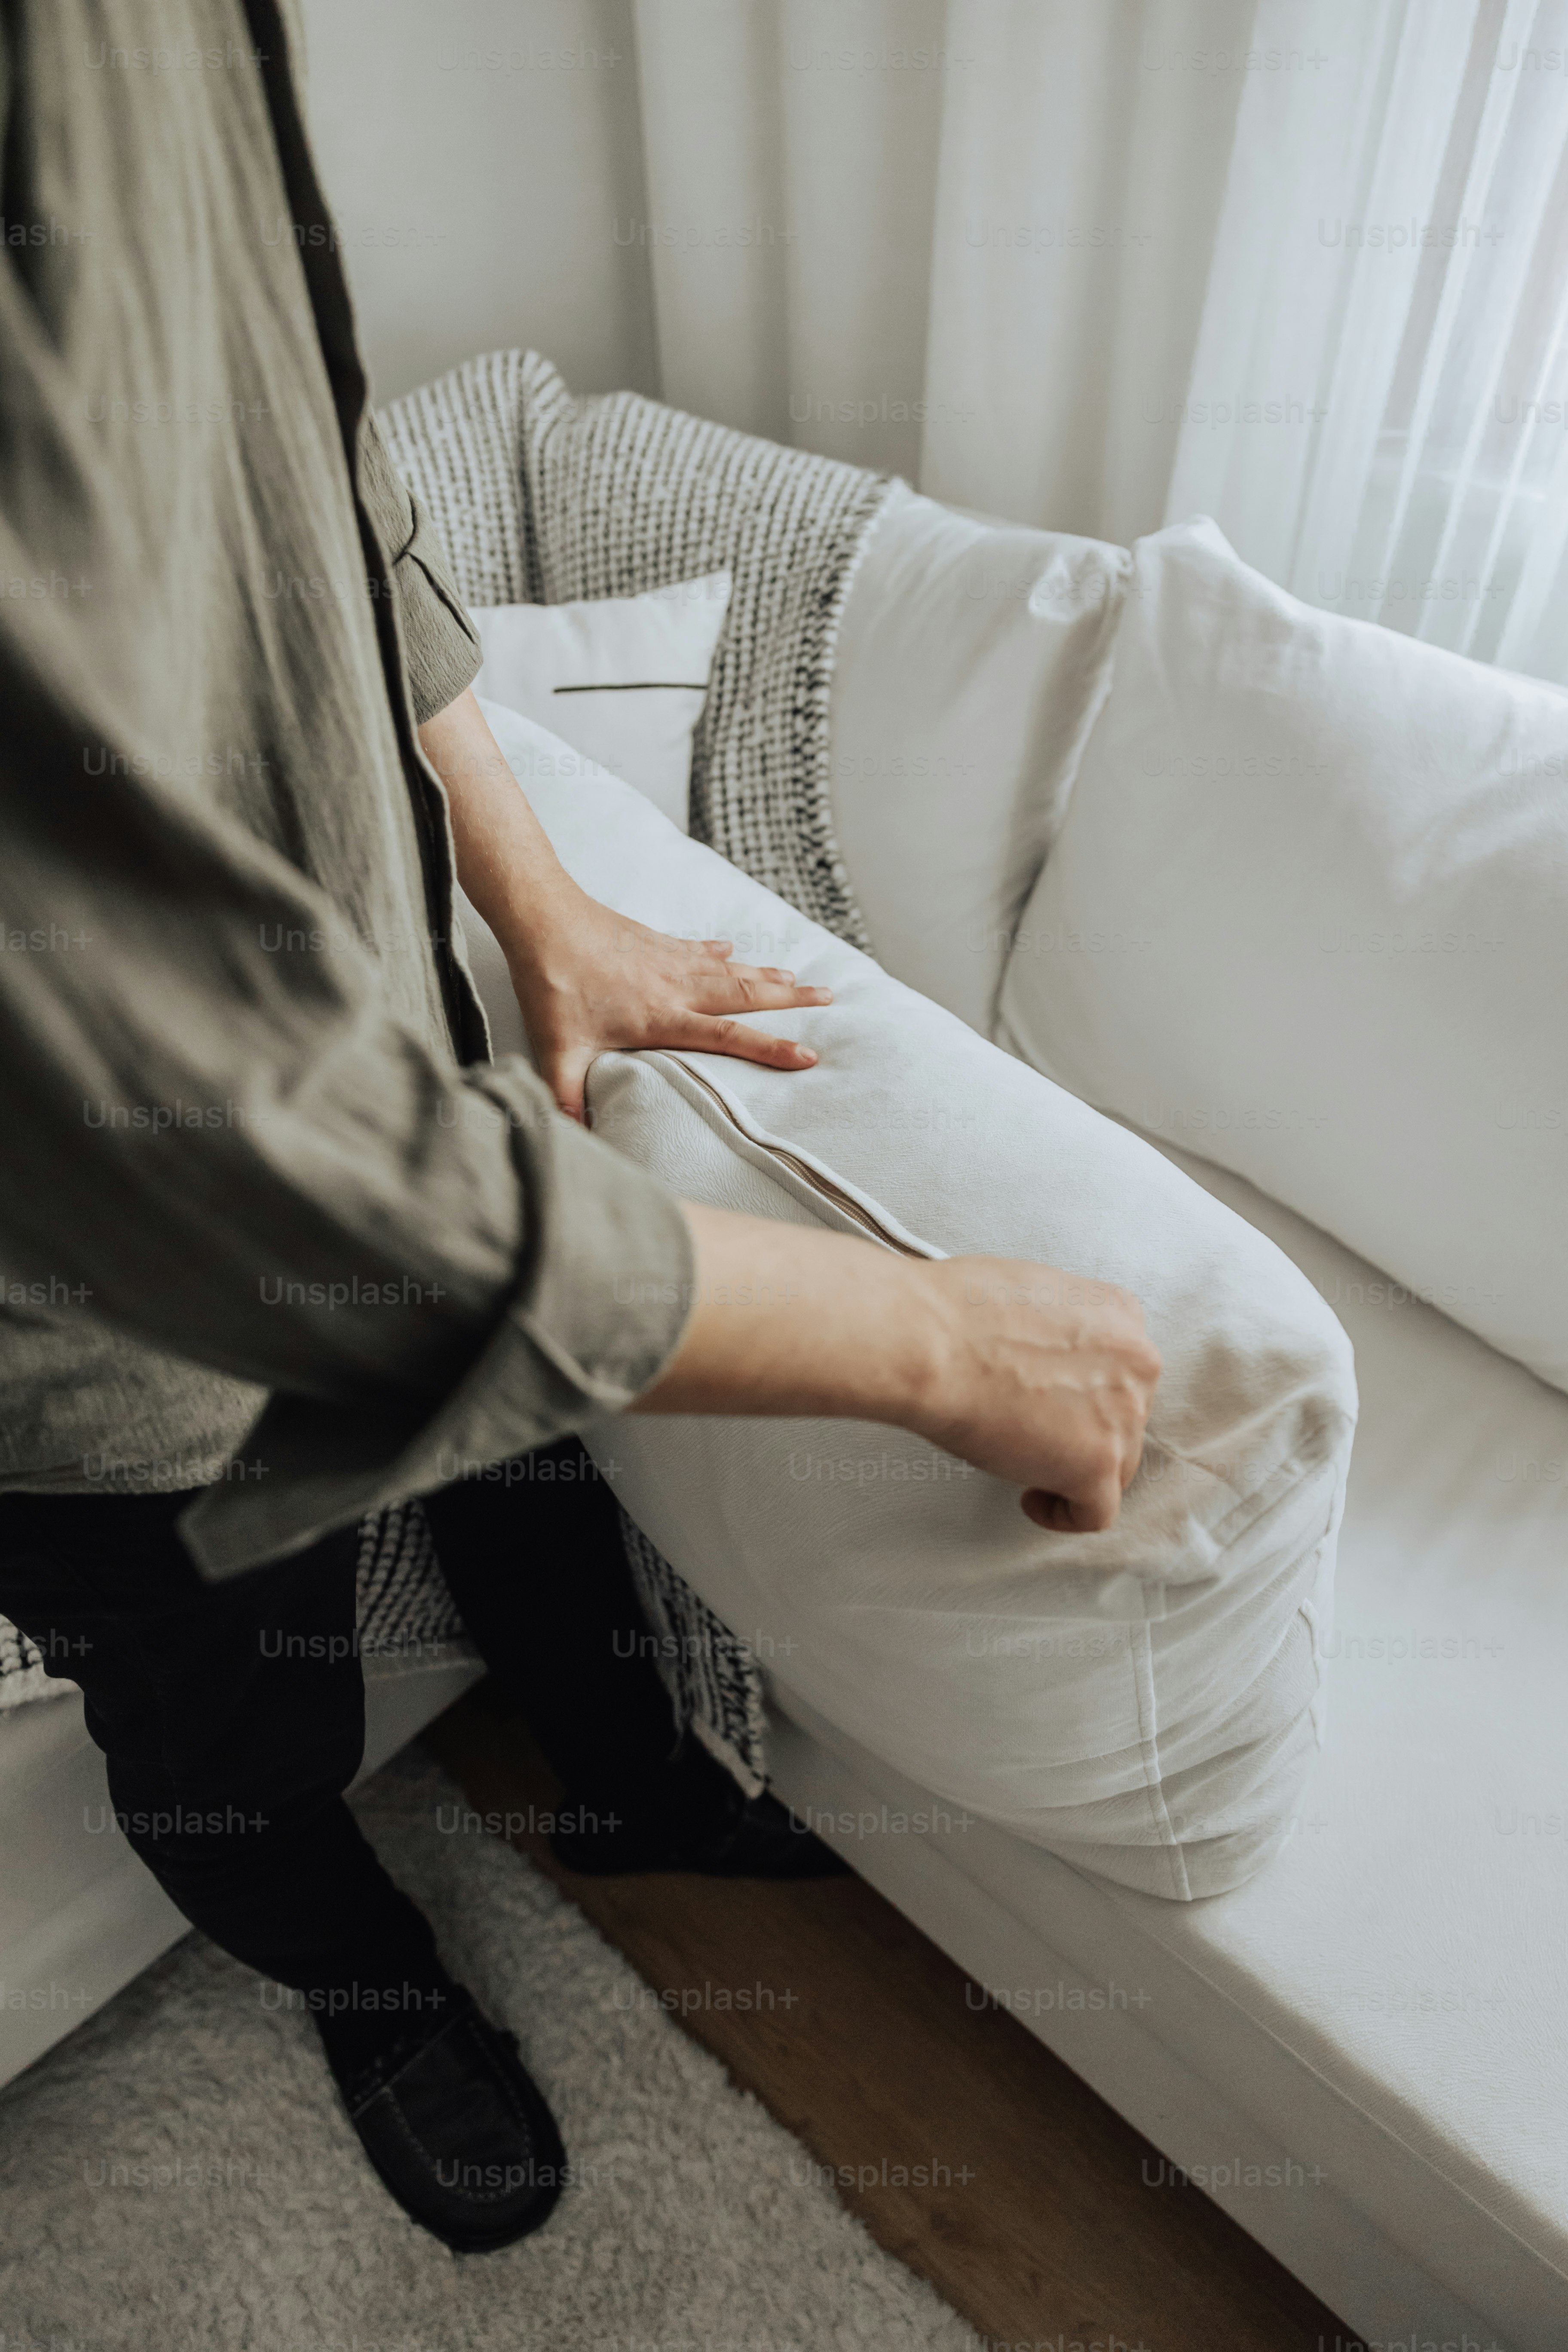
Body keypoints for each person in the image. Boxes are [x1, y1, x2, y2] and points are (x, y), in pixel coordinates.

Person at [0, 0, 1158, 2257]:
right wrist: (941, 1346)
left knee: (537, 1499)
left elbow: (315, 489)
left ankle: (628, 1788)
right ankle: (375, 1984)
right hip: (96, 1338)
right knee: (234, 1743)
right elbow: (154, 1088)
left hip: (395, 1056)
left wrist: (537, 904)